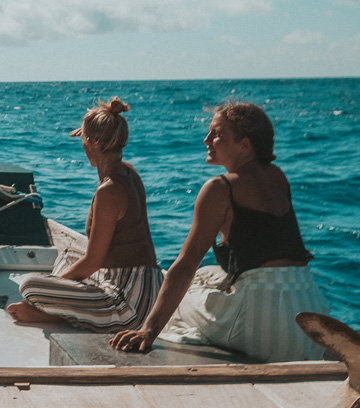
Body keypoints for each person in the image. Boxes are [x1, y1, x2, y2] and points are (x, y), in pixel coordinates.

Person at [111, 101, 329, 362]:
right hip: (309, 316)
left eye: (217, 134)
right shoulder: (277, 177)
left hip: (264, 325)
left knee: (184, 291)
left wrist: (149, 328)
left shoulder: (220, 188)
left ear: (245, 144)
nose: (206, 139)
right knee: (208, 274)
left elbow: (186, 263)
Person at [7, 98, 163, 331]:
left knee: (29, 286)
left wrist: (50, 291)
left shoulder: (109, 190)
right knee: (68, 256)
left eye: (83, 141)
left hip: (130, 305)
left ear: (91, 144)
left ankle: (56, 314)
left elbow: (92, 262)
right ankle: (66, 307)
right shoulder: (128, 172)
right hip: (146, 284)